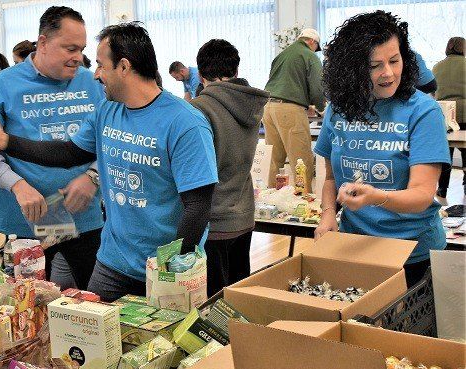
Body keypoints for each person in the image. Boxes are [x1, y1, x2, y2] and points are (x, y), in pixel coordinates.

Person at [0, 22, 218, 301]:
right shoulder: (107, 110)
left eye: (101, 65)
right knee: (94, 338)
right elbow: (68, 153)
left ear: (123, 67)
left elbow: (198, 206)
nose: (96, 74)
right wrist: (5, 142)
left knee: (162, 343)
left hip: (164, 268)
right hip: (112, 262)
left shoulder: (185, 123)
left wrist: (172, 269)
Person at [0, 6, 106, 291]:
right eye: (69, 48)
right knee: (29, 305)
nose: (77, 58)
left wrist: (93, 176)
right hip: (26, 221)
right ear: (43, 43)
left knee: (97, 299)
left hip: (85, 217)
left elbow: (111, 140)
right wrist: (17, 185)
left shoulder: (93, 83)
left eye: (81, 49)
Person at [314, 11, 450, 288]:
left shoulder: (423, 111)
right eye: (375, 65)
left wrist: (375, 197)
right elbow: (330, 178)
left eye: (394, 60)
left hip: (412, 254)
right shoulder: (339, 109)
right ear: (352, 70)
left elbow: (422, 195)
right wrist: (329, 213)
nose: (388, 73)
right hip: (356, 247)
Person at [190, 39, 269, 297]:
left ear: (200, 75)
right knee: (238, 301)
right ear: (236, 71)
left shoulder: (198, 110)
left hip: (214, 220)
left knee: (214, 308)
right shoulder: (251, 103)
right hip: (243, 213)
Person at [263, 27, 326, 194]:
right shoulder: (309, 56)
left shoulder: (282, 55)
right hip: (289, 109)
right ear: (312, 41)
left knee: (274, 160)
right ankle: (304, 200)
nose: (316, 51)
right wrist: (322, 108)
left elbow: (279, 82)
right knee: (301, 159)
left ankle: (271, 198)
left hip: (268, 108)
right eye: (316, 47)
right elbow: (318, 88)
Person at [434, 36, 465, 198]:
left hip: (444, 116)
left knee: (446, 154)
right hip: (465, 115)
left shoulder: (437, 67)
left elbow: (432, 94)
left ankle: (442, 189)